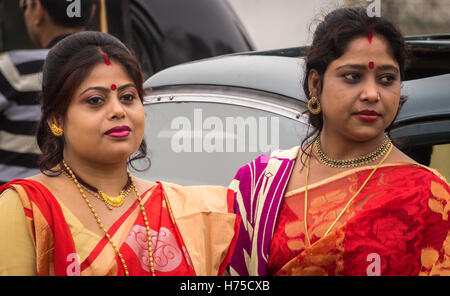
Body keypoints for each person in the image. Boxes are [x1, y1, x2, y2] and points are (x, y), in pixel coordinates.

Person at [227, 7, 450, 276]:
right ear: (315, 84)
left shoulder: (428, 195)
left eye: (387, 79)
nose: (372, 93)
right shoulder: (259, 183)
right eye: (353, 76)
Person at [0, 31, 240, 276]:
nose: (117, 110)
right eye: (95, 100)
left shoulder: (183, 209)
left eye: (127, 97)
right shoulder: (27, 208)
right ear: (56, 119)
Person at [0, 0, 96, 185]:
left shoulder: (13, 69)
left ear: (37, 10)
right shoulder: (112, 67)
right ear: (92, 12)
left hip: (14, 203)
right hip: (83, 206)